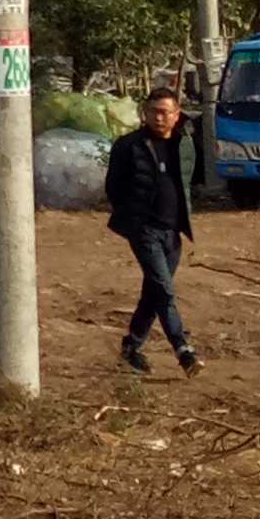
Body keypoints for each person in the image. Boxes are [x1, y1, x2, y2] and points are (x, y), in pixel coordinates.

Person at [103, 84, 202, 374]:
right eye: (152, 112)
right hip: (143, 229)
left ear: (176, 115)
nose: (158, 118)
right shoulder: (128, 145)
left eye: (164, 113)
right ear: (144, 113)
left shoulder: (184, 145)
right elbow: (114, 188)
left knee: (154, 292)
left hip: (173, 233)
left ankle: (131, 346)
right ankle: (184, 352)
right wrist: (132, 217)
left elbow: (190, 181)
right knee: (164, 290)